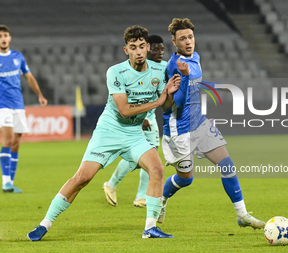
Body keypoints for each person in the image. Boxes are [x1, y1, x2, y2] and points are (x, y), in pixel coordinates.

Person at [27, 25, 182, 241]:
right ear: (125, 50)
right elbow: (124, 110)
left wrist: (170, 95)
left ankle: (150, 228)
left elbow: (166, 107)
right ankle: (44, 223)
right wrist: (157, 101)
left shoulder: (159, 71)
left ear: (148, 47)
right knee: (82, 178)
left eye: (141, 46)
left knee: (156, 168)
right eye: (132, 47)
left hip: (134, 133)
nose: (138, 51)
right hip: (109, 131)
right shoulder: (116, 72)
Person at [158, 18, 265, 230]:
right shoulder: (175, 66)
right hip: (180, 129)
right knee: (186, 179)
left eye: (190, 37)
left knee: (227, 165)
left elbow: (195, 85)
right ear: (174, 42)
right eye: (182, 39)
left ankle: (242, 214)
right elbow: (176, 102)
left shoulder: (195, 57)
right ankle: (160, 198)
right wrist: (185, 76)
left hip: (200, 123)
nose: (188, 42)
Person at [103, 35, 167, 208]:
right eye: (156, 49)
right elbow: (131, 95)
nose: (159, 52)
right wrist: (143, 118)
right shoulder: (131, 69)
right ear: (147, 48)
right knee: (147, 154)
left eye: (162, 49)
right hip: (139, 115)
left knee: (144, 155)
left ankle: (124, 189)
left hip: (149, 114)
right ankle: (131, 193)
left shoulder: (163, 68)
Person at [0, 25, 48, 193]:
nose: (3, 39)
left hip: (18, 105)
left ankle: (11, 183)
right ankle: (5, 182)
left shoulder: (17, 57)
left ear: (10, 38)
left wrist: (40, 95)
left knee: (15, 143)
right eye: (0, 36)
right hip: (2, 106)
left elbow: (29, 77)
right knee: (6, 140)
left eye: (5, 35)